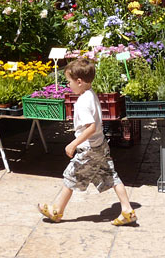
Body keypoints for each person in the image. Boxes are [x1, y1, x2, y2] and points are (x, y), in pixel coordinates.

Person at [37, 57, 136, 226]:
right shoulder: (91, 94)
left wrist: (73, 143)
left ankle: (57, 211)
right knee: (112, 176)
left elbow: (90, 127)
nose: (68, 85)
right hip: (100, 146)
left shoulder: (82, 102)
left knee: (71, 175)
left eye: (69, 82)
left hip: (88, 149)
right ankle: (127, 210)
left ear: (79, 81)